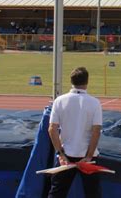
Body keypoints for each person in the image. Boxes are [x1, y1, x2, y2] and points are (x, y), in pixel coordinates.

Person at [48, 67, 103, 197]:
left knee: (56, 193)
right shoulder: (94, 103)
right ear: (87, 81)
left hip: (66, 155)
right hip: (88, 157)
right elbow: (96, 131)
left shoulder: (59, 101)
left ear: (71, 81)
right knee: (93, 194)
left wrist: (60, 154)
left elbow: (52, 129)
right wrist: (89, 156)